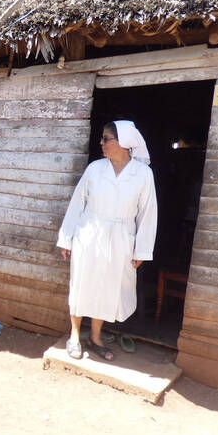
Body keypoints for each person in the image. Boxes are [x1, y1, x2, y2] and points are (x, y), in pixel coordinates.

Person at [57, 120, 158, 361]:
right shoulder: (95, 169)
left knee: (106, 285)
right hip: (89, 232)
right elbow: (77, 203)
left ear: (123, 142)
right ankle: (74, 335)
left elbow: (148, 213)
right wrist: (66, 238)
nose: (101, 143)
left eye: (106, 139)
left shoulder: (142, 174)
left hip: (121, 238)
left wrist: (141, 250)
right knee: (83, 282)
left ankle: (95, 337)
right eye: (102, 138)